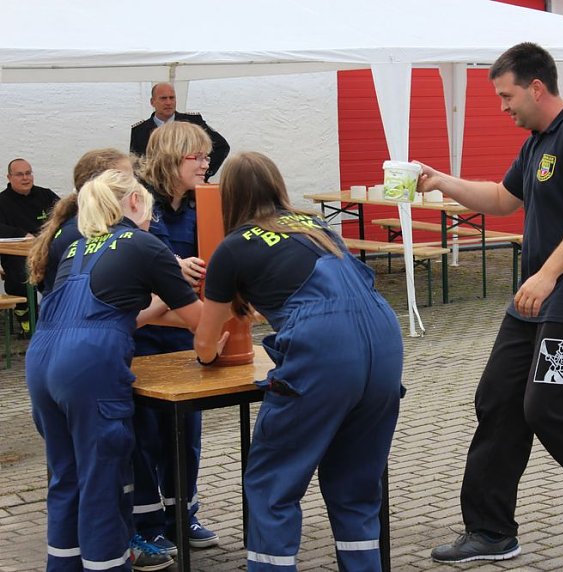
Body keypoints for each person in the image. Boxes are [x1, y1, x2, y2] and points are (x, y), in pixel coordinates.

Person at [420, 42, 563, 563]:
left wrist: (548, 274)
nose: (503, 107)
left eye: (507, 96)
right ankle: (490, 531)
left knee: (550, 409)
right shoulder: (537, 143)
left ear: (537, 87)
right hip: (534, 303)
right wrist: (441, 182)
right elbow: (503, 199)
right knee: (498, 402)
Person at [193, 151, 403, 572]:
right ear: (277, 185)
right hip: (383, 337)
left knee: (273, 482)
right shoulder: (316, 226)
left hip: (324, 348)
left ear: (228, 196)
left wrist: (210, 353)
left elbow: (205, 341)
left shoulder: (233, 247)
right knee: (356, 482)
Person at [25, 169, 205, 571]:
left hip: (41, 361)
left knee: (67, 477)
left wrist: (165, 302)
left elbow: (119, 314)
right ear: (135, 202)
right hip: (88, 365)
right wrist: (227, 323)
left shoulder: (76, 247)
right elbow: (200, 323)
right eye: (151, 213)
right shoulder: (143, 244)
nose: (152, 221)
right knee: (103, 480)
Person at [132, 120, 219, 554]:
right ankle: (147, 524)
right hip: (145, 337)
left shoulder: (204, 203)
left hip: (186, 333)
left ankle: (183, 515)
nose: (205, 164)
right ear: (170, 158)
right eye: (196, 157)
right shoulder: (140, 202)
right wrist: (171, 267)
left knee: (185, 432)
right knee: (144, 435)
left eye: (207, 157)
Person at [28, 148, 133, 293]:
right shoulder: (78, 232)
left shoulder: (102, 225)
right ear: (100, 186)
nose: (134, 187)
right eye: (125, 180)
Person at [0, 158, 59, 334]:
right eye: (20, 174)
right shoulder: (2, 202)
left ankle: (57, 314)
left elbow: (65, 213)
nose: (25, 178)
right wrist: (21, 234)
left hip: (49, 249)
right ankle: (25, 312)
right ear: (9, 177)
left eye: (28, 173)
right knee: (21, 271)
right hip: (17, 255)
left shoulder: (46, 195)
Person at [130, 82, 230, 181]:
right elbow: (136, 164)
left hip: (189, 187)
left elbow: (221, 147)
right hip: (154, 186)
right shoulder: (139, 131)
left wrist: (202, 173)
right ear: (152, 102)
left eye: (172, 98)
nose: (168, 102)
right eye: (163, 98)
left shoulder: (193, 122)